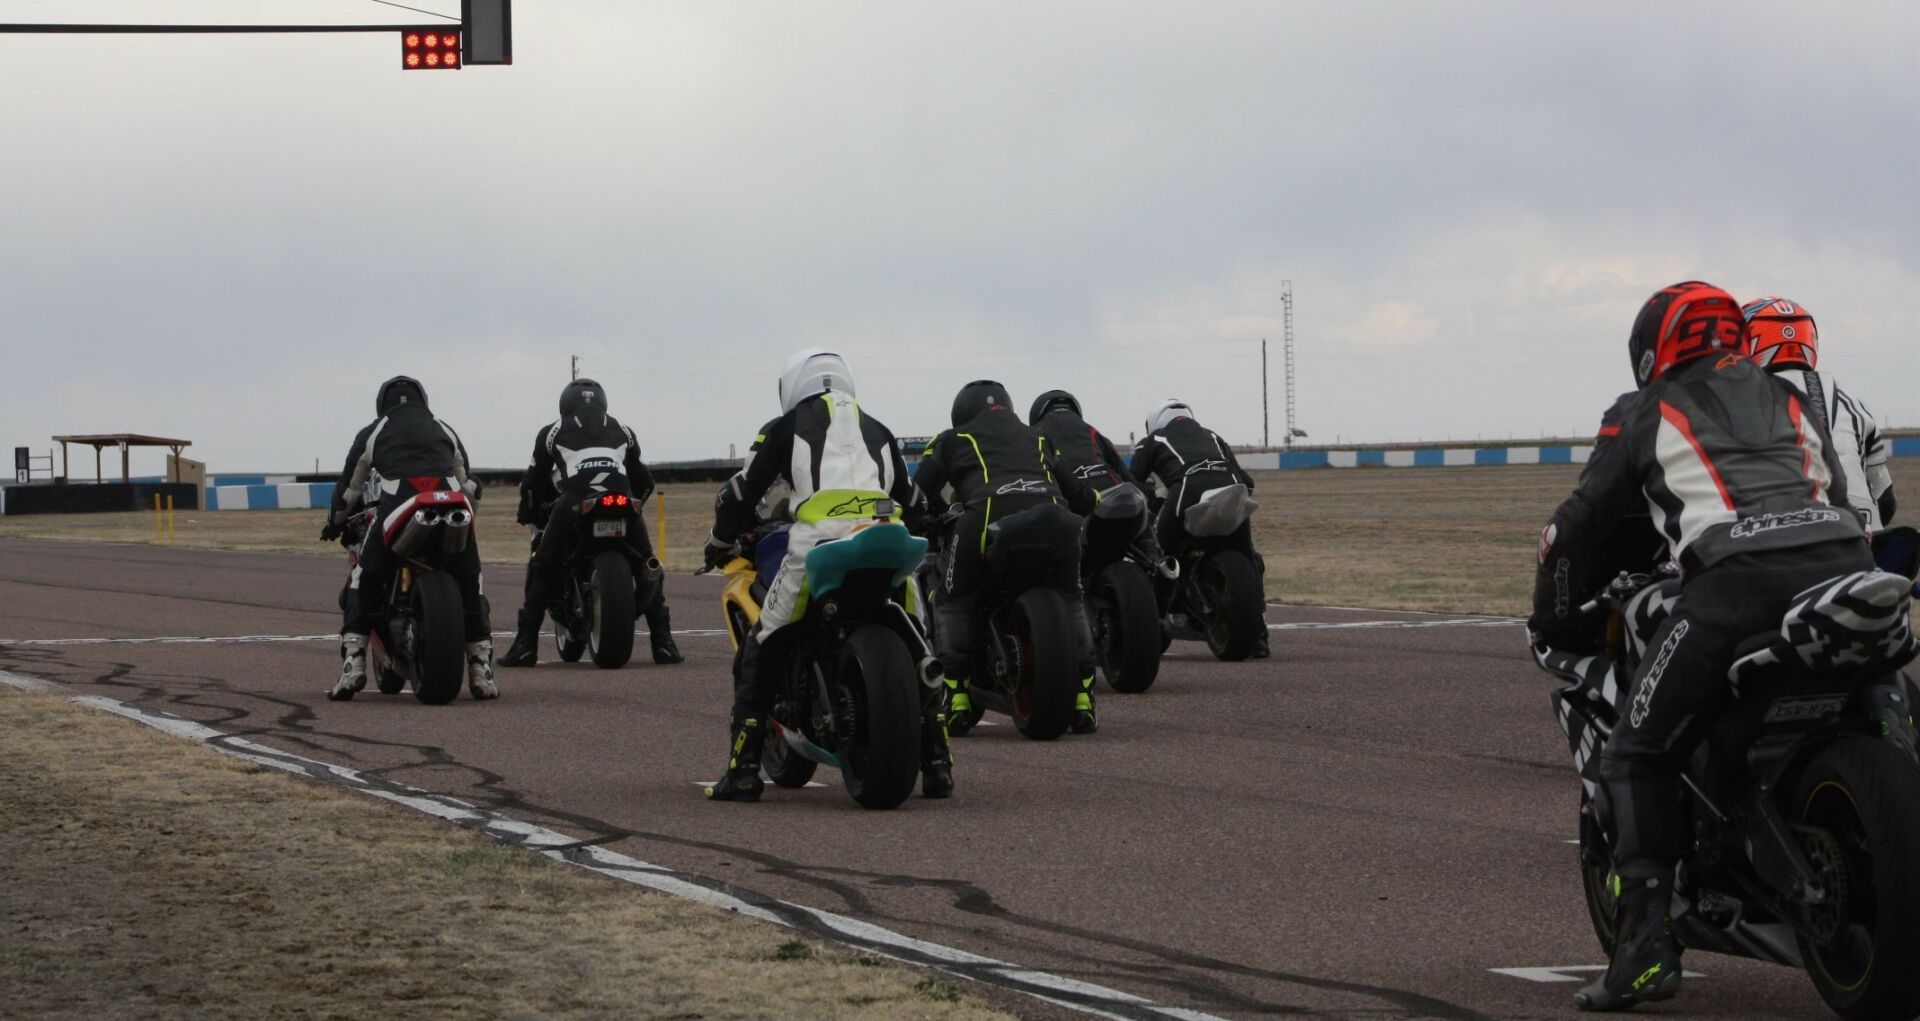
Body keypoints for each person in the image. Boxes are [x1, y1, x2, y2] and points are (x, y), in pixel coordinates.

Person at [1528, 281, 1869, 1012]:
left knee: (1636, 752)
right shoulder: (1792, 400)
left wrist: (1553, 619)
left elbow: (1575, 529)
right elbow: (1837, 489)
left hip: (1735, 585)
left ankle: (1646, 948)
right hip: (1846, 565)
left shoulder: (1644, 410)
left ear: (1652, 351)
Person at [702, 349, 944, 801]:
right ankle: (937, 764)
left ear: (793, 386)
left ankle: (743, 770)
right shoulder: (880, 429)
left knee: (763, 642)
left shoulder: (785, 426)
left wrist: (719, 541)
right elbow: (914, 501)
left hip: (819, 543)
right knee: (919, 642)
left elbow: (739, 494)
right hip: (885, 539)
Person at [913, 381, 1100, 732]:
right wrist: (1097, 502)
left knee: (952, 601)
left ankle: (956, 696)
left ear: (961, 413)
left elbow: (918, 493)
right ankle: (1083, 696)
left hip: (986, 518)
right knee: (1073, 598)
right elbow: (1080, 496)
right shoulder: (1038, 438)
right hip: (1057, 520)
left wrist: (915, 516)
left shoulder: (952, 439)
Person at [322, 375, 496, 701]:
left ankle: (353, 664)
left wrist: (333, 523)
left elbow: (348, 493)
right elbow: (469, 482)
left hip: (399, 505)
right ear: (423, 400)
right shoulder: (444, 427)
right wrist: (470, 515)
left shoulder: (374, 430)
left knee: (364, 575)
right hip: (453, 506)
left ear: (382, 404)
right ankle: (480, 667)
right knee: (471, 579)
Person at [499, 378, 681, 667]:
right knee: (647, 562)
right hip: (622, 501)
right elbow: (645, 482)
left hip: (575, 501)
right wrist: (634, 506)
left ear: (565, 406)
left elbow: (532, 484)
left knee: (543, 565)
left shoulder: (552, 432)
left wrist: (529, 513)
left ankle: (525, 645)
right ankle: (664, 643)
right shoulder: (624, 430)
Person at [1742, 296, 1896, 531]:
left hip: (1780, 546)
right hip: (1862, 546)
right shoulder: (1854, 408)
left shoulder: (1739, 405)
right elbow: (1886, 503)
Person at [1129, 398, 1267, 657]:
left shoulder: (1153, 440)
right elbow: (1247, 481)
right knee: (1250, 559)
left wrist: (1152, 499)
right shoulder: (1213, 436)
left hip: (1187, 488)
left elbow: (1132, 480)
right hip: (1231, 488)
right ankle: (1259, 635)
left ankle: (1154, 625)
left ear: (1155, 422)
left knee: (1155, 557)